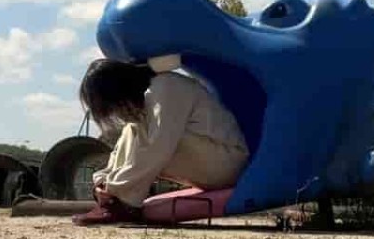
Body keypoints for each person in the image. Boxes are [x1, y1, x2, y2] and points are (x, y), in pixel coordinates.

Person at [72, 56, 250, 226]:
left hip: (228, 163)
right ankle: (116, 198)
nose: (116, 111)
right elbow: (127, 145)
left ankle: (122, 203)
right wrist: (103, 181)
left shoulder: (167, 87)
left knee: (152, 137)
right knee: (132, 127)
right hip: (217, 162)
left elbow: (158, 147)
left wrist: (117, 190)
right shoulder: (152, 94)